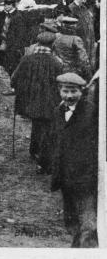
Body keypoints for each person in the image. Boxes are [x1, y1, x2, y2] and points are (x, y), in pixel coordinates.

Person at [50, 73, 98, 248]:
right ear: (59, 91)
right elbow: (56, 142)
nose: (69, 96)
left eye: (73, 91)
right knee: (72, 222)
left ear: (82, 91)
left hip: (86, 177)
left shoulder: (91, 112)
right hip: (66, 177)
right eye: (65, 91)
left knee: (89, 223)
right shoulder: (58, 111)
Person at [10, 31, 63, 174]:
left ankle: (34, 151)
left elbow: (13, 79)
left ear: (38, 43)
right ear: (52, 45)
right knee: (47, 129)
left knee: (37, 123)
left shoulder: (27, 59)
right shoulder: (57, 62)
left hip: (30, 102)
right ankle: (43, 161)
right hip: (49, 103)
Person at [53, 16, 91, 80]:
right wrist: (88, 73)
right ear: (74, 27)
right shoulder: (76, 39)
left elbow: (53, 52)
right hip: (73, 70)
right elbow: (83, 59)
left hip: (58, 68)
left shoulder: (56, 36)